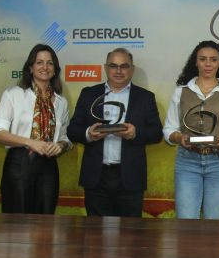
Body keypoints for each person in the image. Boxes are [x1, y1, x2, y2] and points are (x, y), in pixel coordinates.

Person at [67, 48, 162, 217]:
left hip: (130, 177)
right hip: (96, 178)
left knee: (130, 231)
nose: (118, 71)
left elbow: (156, 133)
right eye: (113, 66)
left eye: (124, 66)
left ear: (132, 69)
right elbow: (73, 130)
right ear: (105, 68)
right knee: (96, 230)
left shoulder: (145, 97)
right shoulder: (89, 94)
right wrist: (89, 133)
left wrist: (135, 133)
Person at [163, 41, 219, 220]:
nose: (208, 64)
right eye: (203, 59)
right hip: (187, 162)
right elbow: (169, 129)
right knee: (186, 220)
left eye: (213, 60)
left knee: (215, 221)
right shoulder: (180, 92)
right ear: (195, 62)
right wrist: (179, 138)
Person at [0, 44, 72, 214]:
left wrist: (61, 145)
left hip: (48, 166)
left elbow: (65, 137)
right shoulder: (14, 94)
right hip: (19, 163)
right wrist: (30, 142)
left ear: (55, 70)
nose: (45, 67)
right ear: (30, 68)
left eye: (50, 63)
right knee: (16, 220)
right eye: (39, 62)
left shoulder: (61, 102)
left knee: (45, 220)